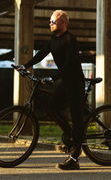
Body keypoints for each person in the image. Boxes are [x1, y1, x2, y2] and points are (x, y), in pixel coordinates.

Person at [15, 9, 85, 170]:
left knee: (77, 118)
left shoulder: (70, 40)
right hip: (65, 82)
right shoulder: (54, 39)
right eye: (50, 22)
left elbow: (69, 64)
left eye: (53, 21)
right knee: (52, 107)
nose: (50, 24)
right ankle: (71, 136)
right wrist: (25, 65)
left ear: (63, 22)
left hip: (75, 83)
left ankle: (75, 158)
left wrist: (52, 78)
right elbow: (42, 53)